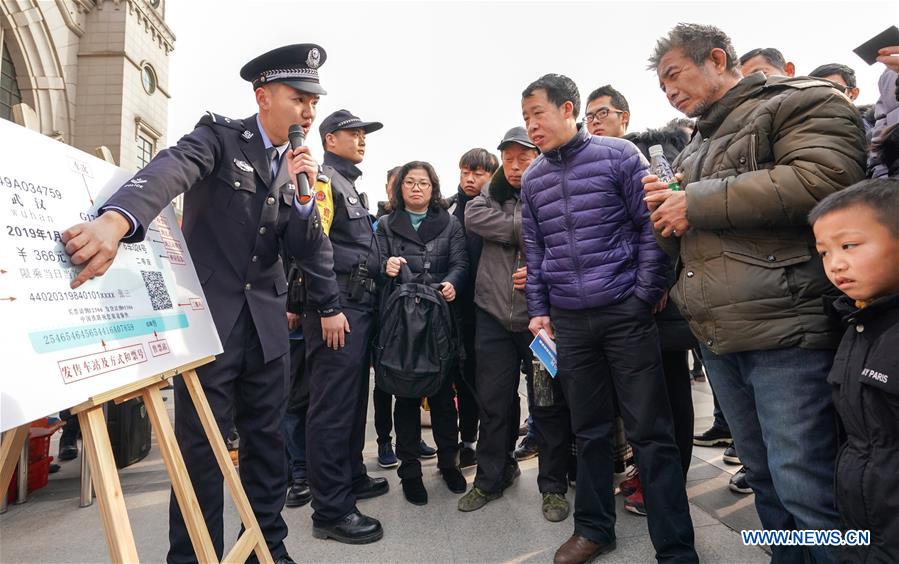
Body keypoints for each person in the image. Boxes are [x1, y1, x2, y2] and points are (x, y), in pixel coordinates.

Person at [61, 44, 330, 564]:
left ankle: (266, 550)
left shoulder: (300, 171)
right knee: (201, 451)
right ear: (263, 97)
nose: (308, 112)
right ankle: (192, 556)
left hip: (268, 328)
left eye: (314, 103)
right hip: (210, 324)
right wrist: (116, 221)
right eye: (299, 99)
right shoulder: (220, 138)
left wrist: (303, 201)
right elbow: (171, 170)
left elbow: (304, 249)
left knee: (268, 447)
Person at [644, 23, 866, 564]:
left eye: (675, 74)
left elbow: (825, 179)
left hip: (786, 330)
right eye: (662, 84)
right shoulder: (695, 145)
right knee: (763, 478)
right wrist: (664, 211)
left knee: (806, 486)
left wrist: (694, 202)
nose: (669, 91)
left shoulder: (801, 100)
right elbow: (685, 237)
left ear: (717, 59)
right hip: (718, 337)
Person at [520, 73, 697, 564]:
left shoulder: (619, 156)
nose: (532, 126)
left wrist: (644, 293)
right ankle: (594, 529)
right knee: (590, 431)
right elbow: (535, 249)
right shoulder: (533, 178)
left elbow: (651, 226)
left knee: (650, 432)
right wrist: (539, 310)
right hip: (570, 322)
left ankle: (676, 546)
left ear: (568, 109)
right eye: (525, 118)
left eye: (538, 114)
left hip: (624, 312)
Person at [459, 127, 572, 523]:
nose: (515, 165)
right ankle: (491, 478)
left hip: (540, 320)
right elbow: (473, 217)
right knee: (493, 403)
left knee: (547, 402)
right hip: (492, 315)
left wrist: (538, 264)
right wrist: (530, 231)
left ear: (538, 157)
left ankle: (553, 486)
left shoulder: (553, 188)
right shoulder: (489, 194)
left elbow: (567, 235)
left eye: (523, 158)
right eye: (508, 159)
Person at [303, 109, 387, 544]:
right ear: (330, 140)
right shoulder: (323, 181)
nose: (361, 139)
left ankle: (351, 475)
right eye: (353, 133)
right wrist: (327, 306)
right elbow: (312, 245)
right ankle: (331, 510)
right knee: (332, 408)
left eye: (363, 133)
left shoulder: (348, 183)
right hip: (338, 309)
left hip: (357, 305)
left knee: (353, 402)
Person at [809, 178, 899, 562]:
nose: (836, 264)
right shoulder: (857, 323)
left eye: (849, 246)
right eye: (824, 252)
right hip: (866, 520)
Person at [375, 161, 468, 505]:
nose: (417, 188)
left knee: (443, 396)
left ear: (433, 188)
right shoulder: (385, 224)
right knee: (406, 396)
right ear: (400, 188)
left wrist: (453, 283)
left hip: (440, 319)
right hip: (401, 323)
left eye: (423, 183)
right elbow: (374, 263)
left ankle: (449, 463)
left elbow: (461, 263)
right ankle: (410, 471)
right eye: (410, 182)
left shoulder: (451, 223)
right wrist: (385, 266)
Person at [447, 148, 499, 468]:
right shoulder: (447, 209)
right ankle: (466, 441)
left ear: (492, 176)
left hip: (492, 308)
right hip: (456, 309)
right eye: (465, 171)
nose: (470, 178)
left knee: (492, 380)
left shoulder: (499, 205)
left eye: (478, 173)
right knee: (461, 378)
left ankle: (496, 445)